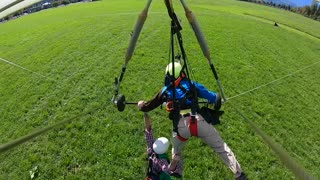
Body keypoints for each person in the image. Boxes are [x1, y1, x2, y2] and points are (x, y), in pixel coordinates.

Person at [137, 62, 247, 179]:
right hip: (199, 122)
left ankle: (175, 168)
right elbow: (213, 97)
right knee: (221, 148)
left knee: (176, 150)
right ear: (182, 74)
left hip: (180, 128)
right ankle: (239, 174)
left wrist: (141, 105)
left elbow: (148, 106)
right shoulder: (192, 85)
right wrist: (216, 99)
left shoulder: (165, 91)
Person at [142, 112, 172, 180]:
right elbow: (166, 174)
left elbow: (148, 130)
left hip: (151, 174)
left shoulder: (151, 148)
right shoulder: (164, 161)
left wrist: (145, 114)